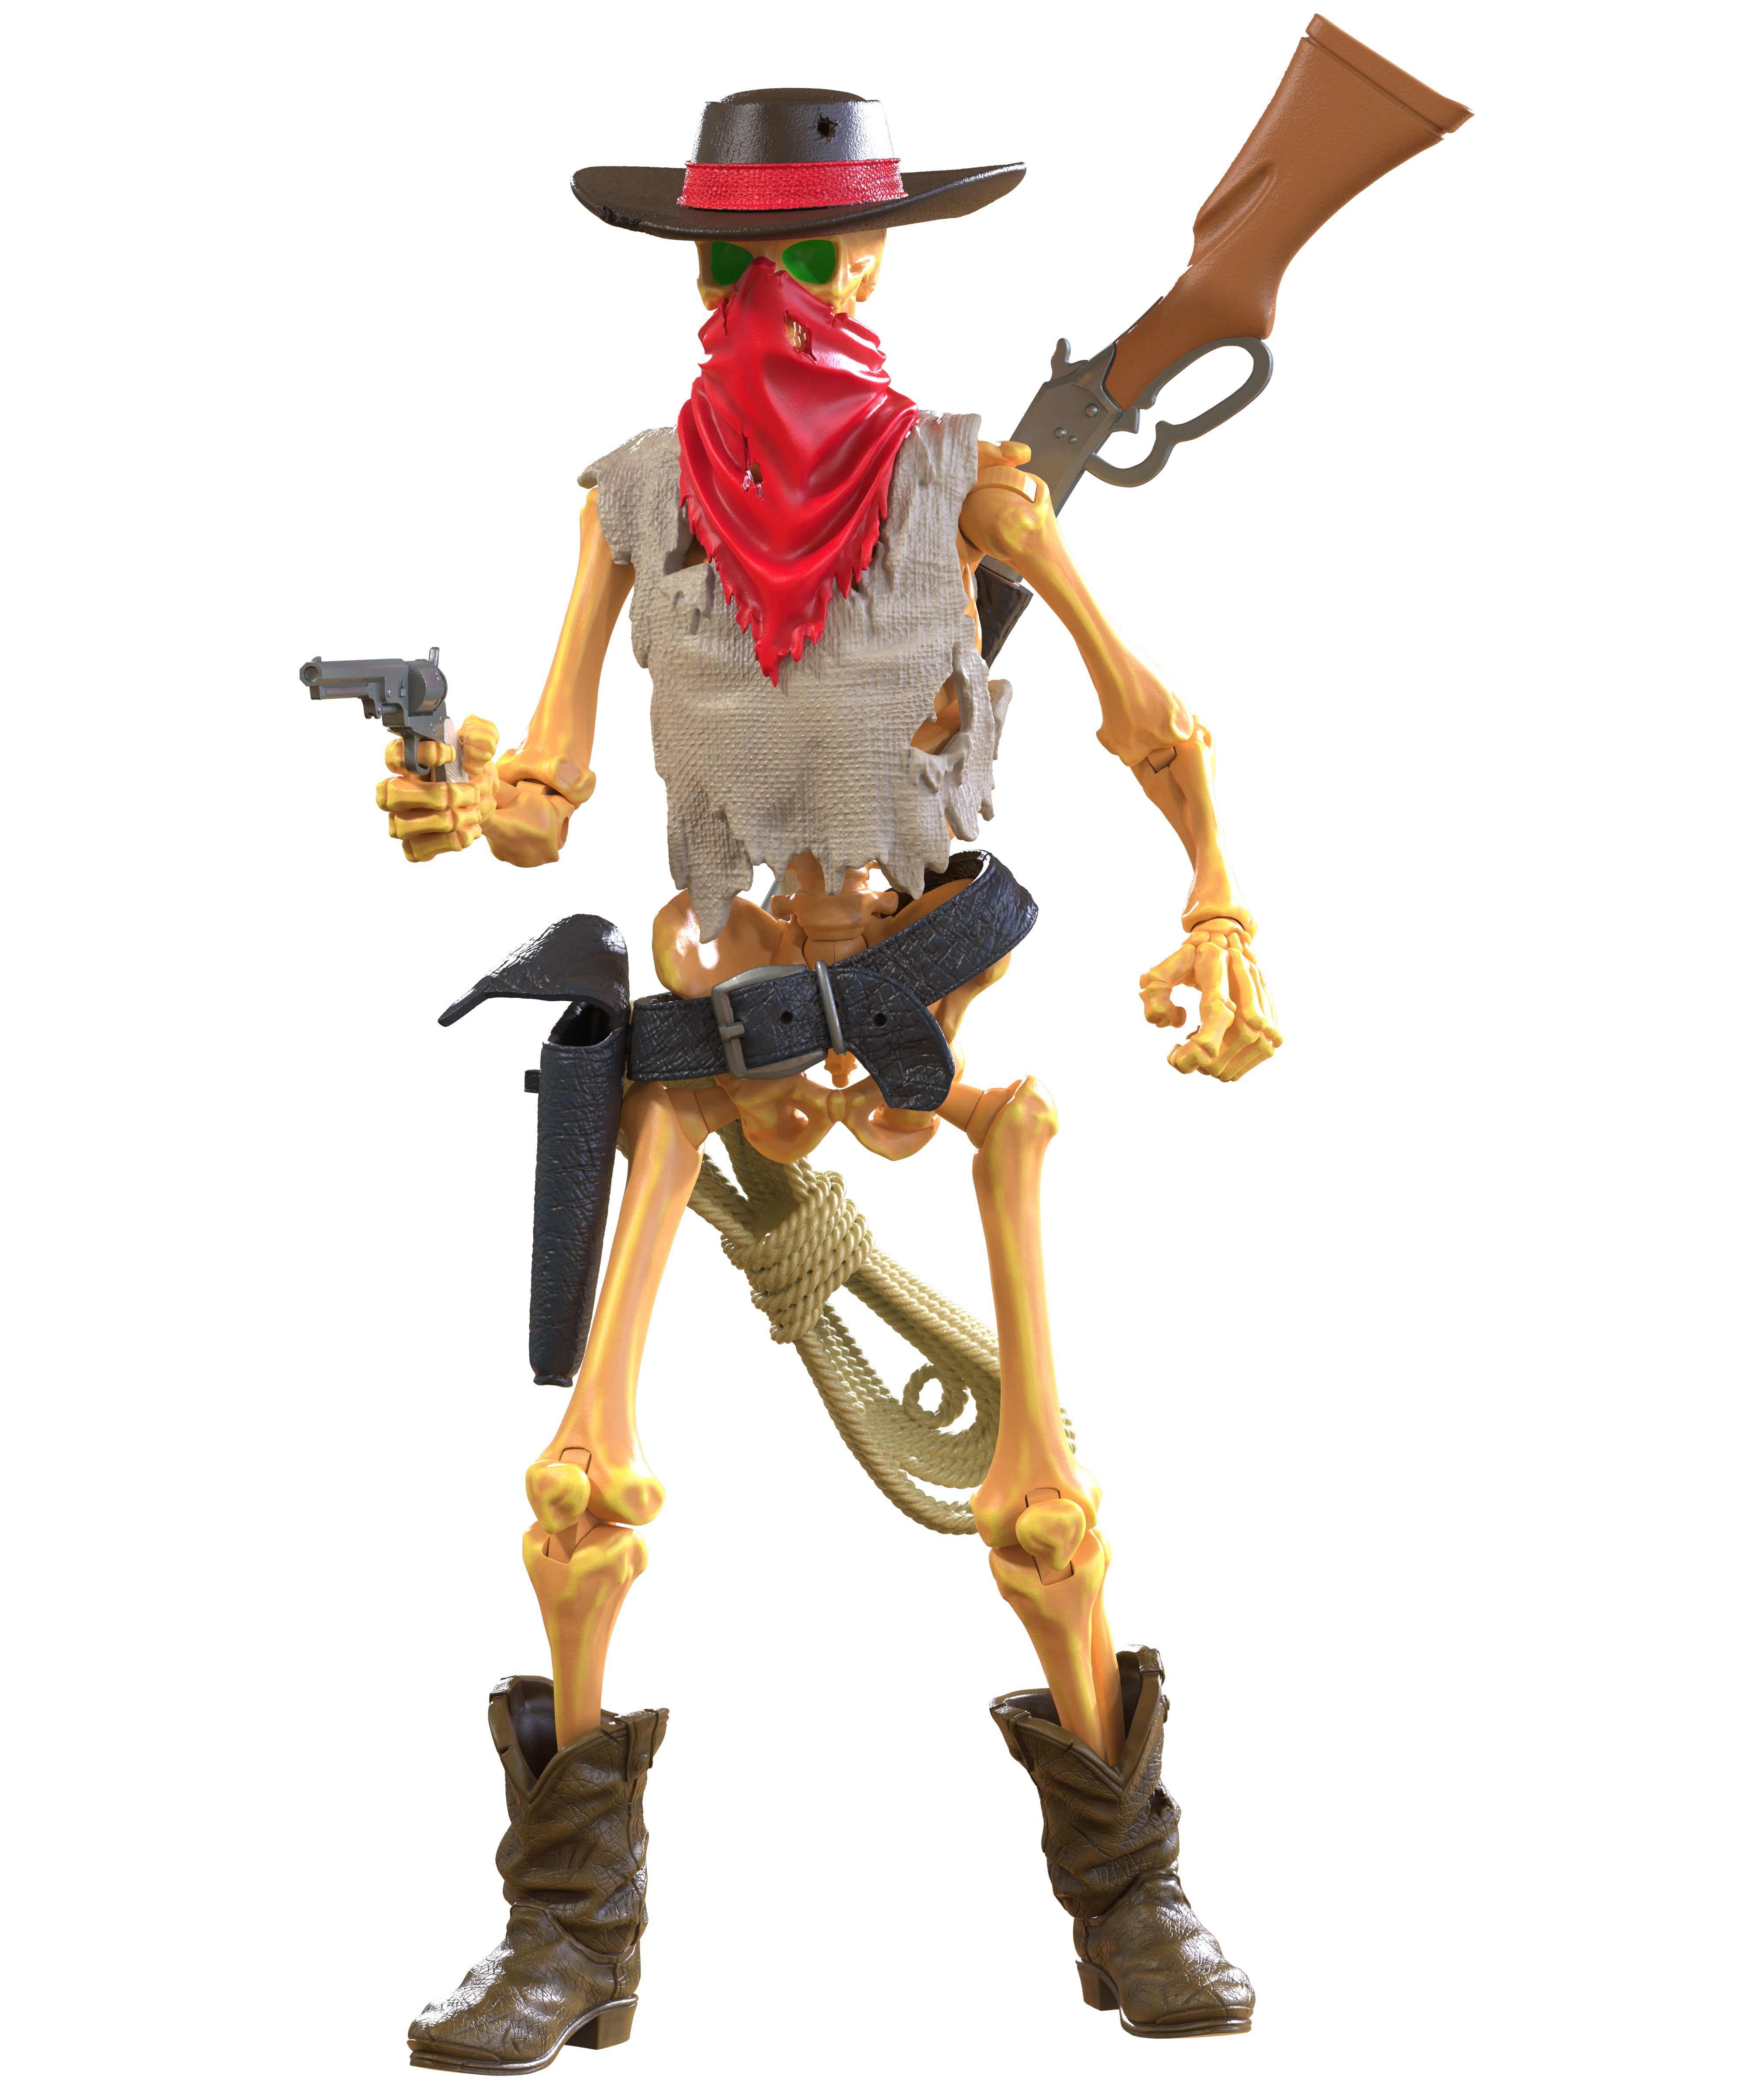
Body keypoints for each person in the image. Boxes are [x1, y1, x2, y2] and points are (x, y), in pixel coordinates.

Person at [376, 90, 1277, 2075]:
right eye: (733, 260)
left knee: (1048, 1511)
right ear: (694, 275)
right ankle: (569, 1935)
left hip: (929, 1018)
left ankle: (1132, 1894)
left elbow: (1155, 722)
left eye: (805, 254)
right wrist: (466, 800)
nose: (769, 299)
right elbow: (551, 792)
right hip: (709, 1034)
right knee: (579, 1495)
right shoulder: (633, 502)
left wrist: (1219, 903)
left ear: (870, 262)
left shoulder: (968, 488)